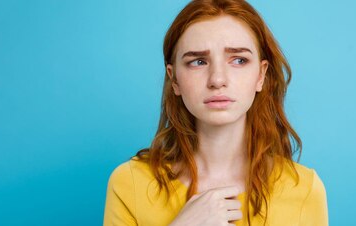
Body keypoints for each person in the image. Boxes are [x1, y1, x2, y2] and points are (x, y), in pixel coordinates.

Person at [103, 0, 328, 225]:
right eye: (198, 62)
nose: (217, 79)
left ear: (261, 75)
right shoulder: (129, 183)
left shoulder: (304, 189)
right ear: (174, 79)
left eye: (239, 60)